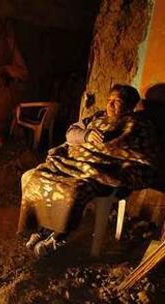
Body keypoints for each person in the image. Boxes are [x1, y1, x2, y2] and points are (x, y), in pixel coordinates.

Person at [17, 84, 158, 258]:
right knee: (34, 177)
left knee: (73, 190)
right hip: (72, 163)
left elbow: (142, 156)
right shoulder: (98, 116)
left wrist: (112, 165)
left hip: (98, 170)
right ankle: (42, 228)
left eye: (117, 101)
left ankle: (59, 236)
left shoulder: (137, 125)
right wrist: (86, 135)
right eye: (109, 100)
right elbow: (71, 132)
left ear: (129, 105)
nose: (110, 105)